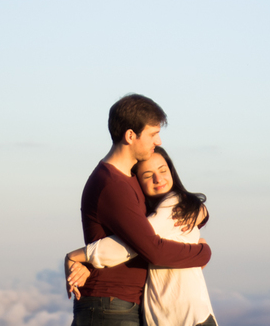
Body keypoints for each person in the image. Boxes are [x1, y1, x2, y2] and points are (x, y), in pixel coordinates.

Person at [67, 94, 212, 326]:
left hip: (124, 303)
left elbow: (155, 220)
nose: (159, 141)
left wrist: (198, 213)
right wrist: (202, 252)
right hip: (109, 306)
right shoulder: (112, 185)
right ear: (130, 135)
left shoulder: (131, 177)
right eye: (153, 134)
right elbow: (152, 249)